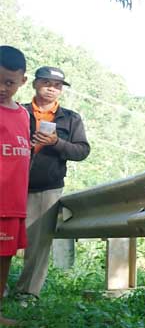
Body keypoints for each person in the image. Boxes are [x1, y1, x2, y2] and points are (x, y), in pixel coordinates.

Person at [10, 66, 90, 301]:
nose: (51, 89)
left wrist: (56, 143)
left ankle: (26, 294)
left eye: (57, 86)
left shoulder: (71, 118)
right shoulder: (18, 112)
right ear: (34, 84)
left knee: (38, 247)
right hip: (11, 184)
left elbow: (82, 151)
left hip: (47, 187)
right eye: (47, 83)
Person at [0, 46, 30, 326]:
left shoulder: (23, 114)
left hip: (14, 201)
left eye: (9, 82)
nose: (2, 88)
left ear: (22, 81)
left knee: (5, 256)